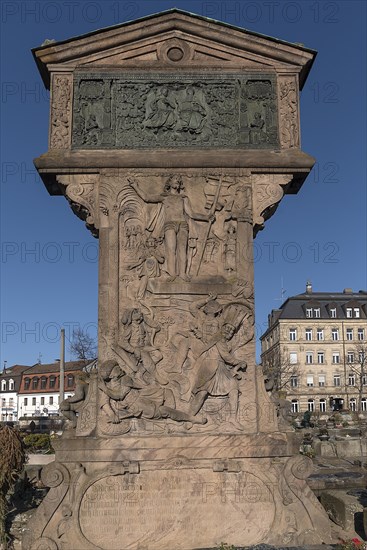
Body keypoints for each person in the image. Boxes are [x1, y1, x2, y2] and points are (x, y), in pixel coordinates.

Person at [129, 175, 213, 281]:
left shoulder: (183, 198)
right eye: (175, 179)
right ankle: (172, 274)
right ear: (169, 183)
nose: (177, 181)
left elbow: (191, 214)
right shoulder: (165, 197)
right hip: (169, 225)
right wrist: (135, 186)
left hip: (182, 224)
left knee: (182, 250)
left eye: (179, 180)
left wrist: (206, 217)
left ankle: (182, 274)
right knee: (171, 250)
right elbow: (147, 198)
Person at [190, 322, 247, 429]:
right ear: (222, 329)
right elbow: (227, 357)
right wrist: (240, 362)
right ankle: (190, 417)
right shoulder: (219, 340)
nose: (229, 332)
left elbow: (204, 338)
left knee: (233, 387)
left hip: (221, 369)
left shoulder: (221, 340)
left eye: (231, 331)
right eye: (227, 329)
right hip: (210, 368)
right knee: (202, 393)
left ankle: (232, 418)